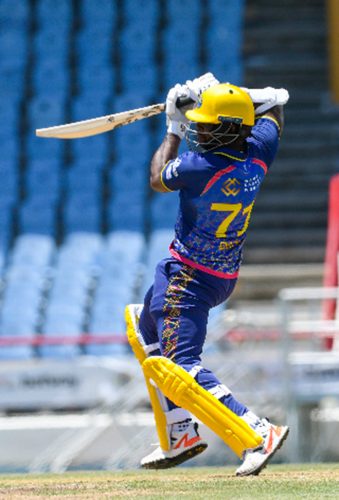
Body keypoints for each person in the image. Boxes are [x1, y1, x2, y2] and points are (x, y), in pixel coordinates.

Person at [125, 75, 290, 477]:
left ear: (229, 128)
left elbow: (156, 178)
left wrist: (173, 126)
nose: (198, 128)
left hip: (188, 277)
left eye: (205, 124)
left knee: (181, 365)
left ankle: (256, 432)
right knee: (143, 326)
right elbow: (275, 110)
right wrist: (243, 96)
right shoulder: (260, 151)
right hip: (222, 275)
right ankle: (180, 433)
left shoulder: (199, 165)